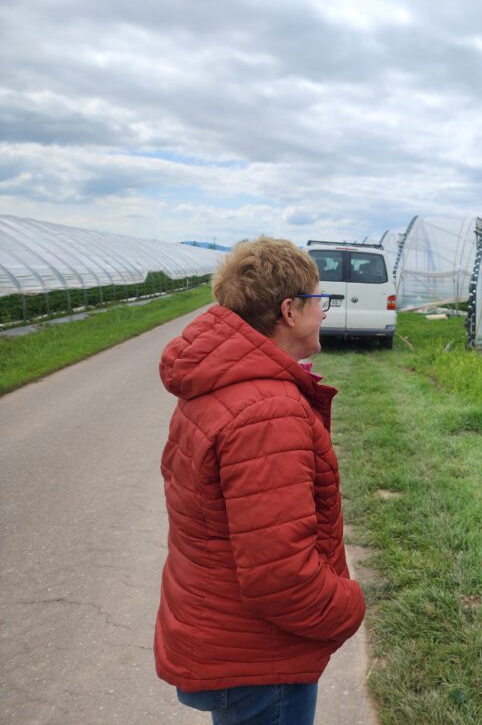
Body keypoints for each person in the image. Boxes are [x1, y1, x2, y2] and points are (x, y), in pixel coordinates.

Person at [154, 237, 365, 725]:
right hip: (259, 659)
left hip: (230, 639)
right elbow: (281, 577)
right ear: (289, 311)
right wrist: (349, 605)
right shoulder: (266, 411)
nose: (326, 313)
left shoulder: (222, 383)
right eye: (320, 301)